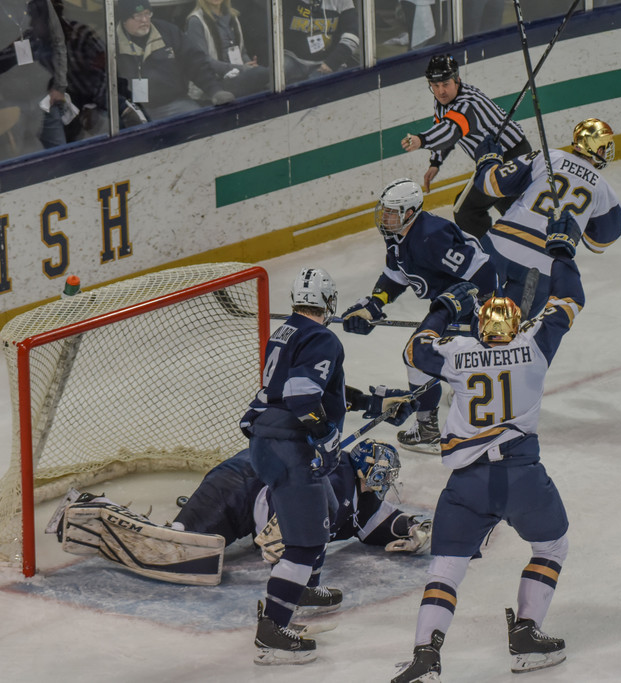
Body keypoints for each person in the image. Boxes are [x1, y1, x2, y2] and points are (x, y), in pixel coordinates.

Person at [389, 214, 585, 682]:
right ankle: (525, 635)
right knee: (551, 547)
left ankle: (425, 657)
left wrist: (442, 306)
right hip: (522, 476)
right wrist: (560, 251)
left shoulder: (457, 352)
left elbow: (415, 350)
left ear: (478, 325)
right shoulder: (535, 347)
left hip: (466, 485)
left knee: (446, 570)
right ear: (518, 324)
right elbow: (569, 299)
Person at [50, 439, 432, 593]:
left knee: (197, 560)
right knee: (179, 544)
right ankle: (87, 508)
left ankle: (96, 513)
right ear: (366, 468)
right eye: (382, 474)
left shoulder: (357, 496)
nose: (384, 484)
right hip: (243, 479)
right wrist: (280, 528)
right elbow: (279, 492)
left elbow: (386, 522)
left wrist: (415, 530)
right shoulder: (336, 471)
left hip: (254, 498)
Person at [238, 266, 360, 664]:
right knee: (305, 543)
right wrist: (326, 438)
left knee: (327, 507)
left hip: (269, 441)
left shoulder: (286, 330)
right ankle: (272, 631)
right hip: (292, 448)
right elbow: (303, 395)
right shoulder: (322, 337)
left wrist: (374, 401)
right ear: (328, 302)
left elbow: (286, 388)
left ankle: (303, 586)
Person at [339, 178, 499, 455]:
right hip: (447, 303)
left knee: (418, 356)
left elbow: (483, 271)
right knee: (436, 356)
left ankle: (427, 430)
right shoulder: (399, 236)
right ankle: (466, 391)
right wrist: (374, 305)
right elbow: (395, 277)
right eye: (384, 210)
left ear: (410, 213)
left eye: (392, 211)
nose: (385, 216)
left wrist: (484, 309)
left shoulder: (431, 238)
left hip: (465, 303)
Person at [473, 117, 621, 317]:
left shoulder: (548, 157)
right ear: (598, 150)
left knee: (466, 311)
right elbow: (600, 244)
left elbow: (490, 183)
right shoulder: (604, 190)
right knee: (503, 333)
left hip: (500, 246)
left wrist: (488, 159)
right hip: (542, 266)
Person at [400, 54, 531, 239]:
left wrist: (421, 140)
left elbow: (449, 131)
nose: (440, 91)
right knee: (511, 210)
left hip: (511, 157)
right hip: (496, 159)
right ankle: (526, 247)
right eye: (435, 86)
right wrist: (435, 162)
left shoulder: (467, 103)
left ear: (457, 80)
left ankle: (492, 254)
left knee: (466, 211)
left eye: (445, 84)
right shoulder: (443, 101)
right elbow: (441, 126)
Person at [115, 0, 234, 124]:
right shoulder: (113, 43)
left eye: (147, 13)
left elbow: (195, 62)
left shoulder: (168, 32)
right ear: (124, 19)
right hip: (135, 110)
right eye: (138, 15)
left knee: (201, 123)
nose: (144, 20)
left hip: (174, 103)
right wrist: (124, 109)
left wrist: (214, 90)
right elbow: (105, 84)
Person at [0, 0, 69, 149]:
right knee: (17, 161)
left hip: (45, 97)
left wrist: (60, 86)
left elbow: (58, 42)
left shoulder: (41, 3)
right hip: (7, 102)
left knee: (60, 153)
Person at [185, 0, 270, 99]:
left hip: (237, 74)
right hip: (214, 84)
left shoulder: (233, 16)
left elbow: (242, 52)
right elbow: (203, 61)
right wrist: (242, 69)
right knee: (264, 74)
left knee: (273, 72)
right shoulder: (196, 21)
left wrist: (249, 64)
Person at [281, 0, 360, 84]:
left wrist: (333, 62)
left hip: (327, 63)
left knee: (311, 92)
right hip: (293, 59)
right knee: (268, 77)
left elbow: (353, 34)